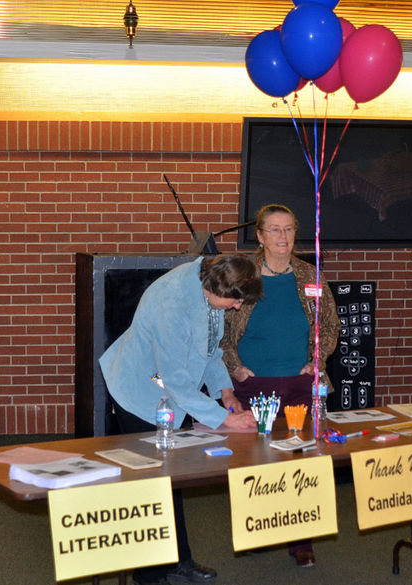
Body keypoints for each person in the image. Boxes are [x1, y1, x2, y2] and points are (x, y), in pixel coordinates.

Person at [99, 254, 262, 585]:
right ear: (220, 287)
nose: (235, 308)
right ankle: (148, 574)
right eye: (235, 302)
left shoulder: (209, 287)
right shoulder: (172, 301)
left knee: (172, 477)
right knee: (149, 483)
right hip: (139, 390)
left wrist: (225, 392)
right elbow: (176, 382)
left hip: (171, 389)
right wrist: (224, 420)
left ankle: (178, 560)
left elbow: (211, 350)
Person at [221, 204, 340, 568]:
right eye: (274, 230)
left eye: (288, 229)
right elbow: (220, 330)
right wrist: (234, 367)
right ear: (259, 236)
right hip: (253, 384)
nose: (283, 237)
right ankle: (259, 529)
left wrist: (316, 361)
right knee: (258, 461)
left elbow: (330, 326)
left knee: (302, 458)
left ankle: (301, 540)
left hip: (300, 384)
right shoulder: (244, 274)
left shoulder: (309, 274)